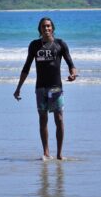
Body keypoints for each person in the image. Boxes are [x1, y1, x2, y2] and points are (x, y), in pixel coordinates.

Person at [14, 17, 77, 160]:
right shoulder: (34, 45)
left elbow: (71, 63)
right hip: (40, 88)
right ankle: (46, 152)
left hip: (56, 88)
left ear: (52, 28)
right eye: (43, 27)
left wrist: (73, 74)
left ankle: (60, 153)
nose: (46, 29)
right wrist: (18, 88)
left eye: (48, 26)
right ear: (40, 29)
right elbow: (26, 67)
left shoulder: (60, 44)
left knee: (59, 118)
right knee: (43, 119)